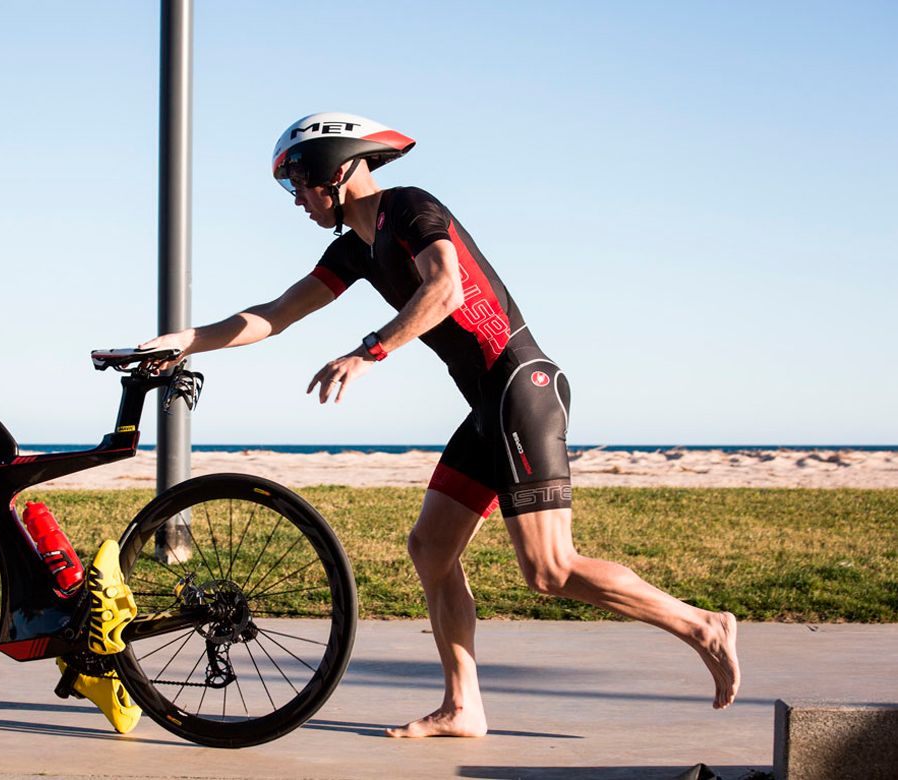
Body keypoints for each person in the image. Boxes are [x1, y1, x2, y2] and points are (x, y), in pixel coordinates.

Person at [139, 112, 741, 738]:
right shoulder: (356, 249)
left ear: (333, 171)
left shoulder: (409, 209)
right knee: (430, 549)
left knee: (549, 570)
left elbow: (445, 287)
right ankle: (463, 706)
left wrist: (370, 351)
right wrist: (185, 341)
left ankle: (703, 625)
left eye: (297, 182)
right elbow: (276, 313)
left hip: (520, 388)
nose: (296, 200)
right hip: (488, 408)